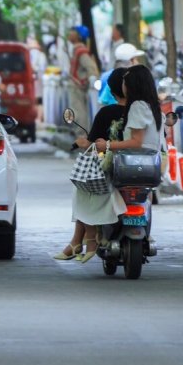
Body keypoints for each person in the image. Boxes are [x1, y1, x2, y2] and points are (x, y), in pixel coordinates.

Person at [63, 64, 164, 262]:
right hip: (152, 167)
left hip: (128, 165)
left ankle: (89, 239)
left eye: (126, 81)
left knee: (86, 185)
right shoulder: (154, 108)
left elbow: (136, 142)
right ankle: (87, 239)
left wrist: (107, 145)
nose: (124, 85)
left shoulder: (136, 107)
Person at [55, 67, 129, 261]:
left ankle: (86, 238)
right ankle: (79, 240)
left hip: (112, 169)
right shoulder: (147, 113)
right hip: (143, 169)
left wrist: (83, 144)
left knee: (83, 185)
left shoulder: (107, 113)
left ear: (112, 91)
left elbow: (96, 145)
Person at [66, 25, 99, 131]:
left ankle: (82, 136)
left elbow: (91, 68)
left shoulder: (81, 51)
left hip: (77, 87)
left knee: (78, 112)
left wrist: (87, 80)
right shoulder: (77, 50)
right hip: (76, 85)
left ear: (78, 36)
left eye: (73, 31)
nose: (70, 33)